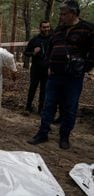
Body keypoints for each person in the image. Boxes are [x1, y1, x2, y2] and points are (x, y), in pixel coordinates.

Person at [27, 0, 94, 149]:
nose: (61, 17)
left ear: (73, 13)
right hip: (54, 75)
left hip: (73, 77)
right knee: (48, 104)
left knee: (70, 106)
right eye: (61, 14)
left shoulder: (87, 29)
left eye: (64, 14)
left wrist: (84, 68)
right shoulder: (58, 30)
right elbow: (51, 48)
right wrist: (49, 64)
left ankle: (64, 136)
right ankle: (42, 133)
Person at [23, 20, 52, 114]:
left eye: (48, 27)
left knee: (44, 89)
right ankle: (28, 107)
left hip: (47, 68)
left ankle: (41, 109)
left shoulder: (52, 39)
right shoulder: (34, 40)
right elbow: (26, 52)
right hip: (36, 68)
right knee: (33, 87)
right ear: (40, 28)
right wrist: (33, 53)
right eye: (44, 27)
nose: (46, 29)